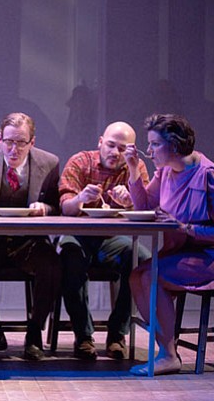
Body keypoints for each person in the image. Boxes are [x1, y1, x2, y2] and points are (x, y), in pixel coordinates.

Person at [125, 114, 214, 375]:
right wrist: (134, 168)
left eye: (155, 145)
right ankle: (166, 349)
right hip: (184, 249)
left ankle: (168, 355)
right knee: (137, 276)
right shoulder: (166, 172)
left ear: (175, 146)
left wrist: (184, 228)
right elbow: (144, 206)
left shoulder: (209, 176)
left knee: (150, 276)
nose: (149, 151)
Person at [0, 112, 61, 361]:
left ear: (32, 142)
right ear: (0, 138)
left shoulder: (49, 162)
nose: (13, 148)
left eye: (21, 142)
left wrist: (45, 209)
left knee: (52, 263)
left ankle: (35, 333)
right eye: (8, 141)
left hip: (28, 239)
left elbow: (57, 205)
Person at [59, 121, 151, 360]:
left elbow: (148, 208)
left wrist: (130, 200)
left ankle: (117, 334)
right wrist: (80, 197)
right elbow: (66, 209)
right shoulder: (80, 161)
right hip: (78, 235)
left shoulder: (135, 166)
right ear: (101, 142)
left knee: (140, 259)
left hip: (112, 238)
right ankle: (84, 335)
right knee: (70, 257)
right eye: (111, 145)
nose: (115, 152)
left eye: (123, 148)